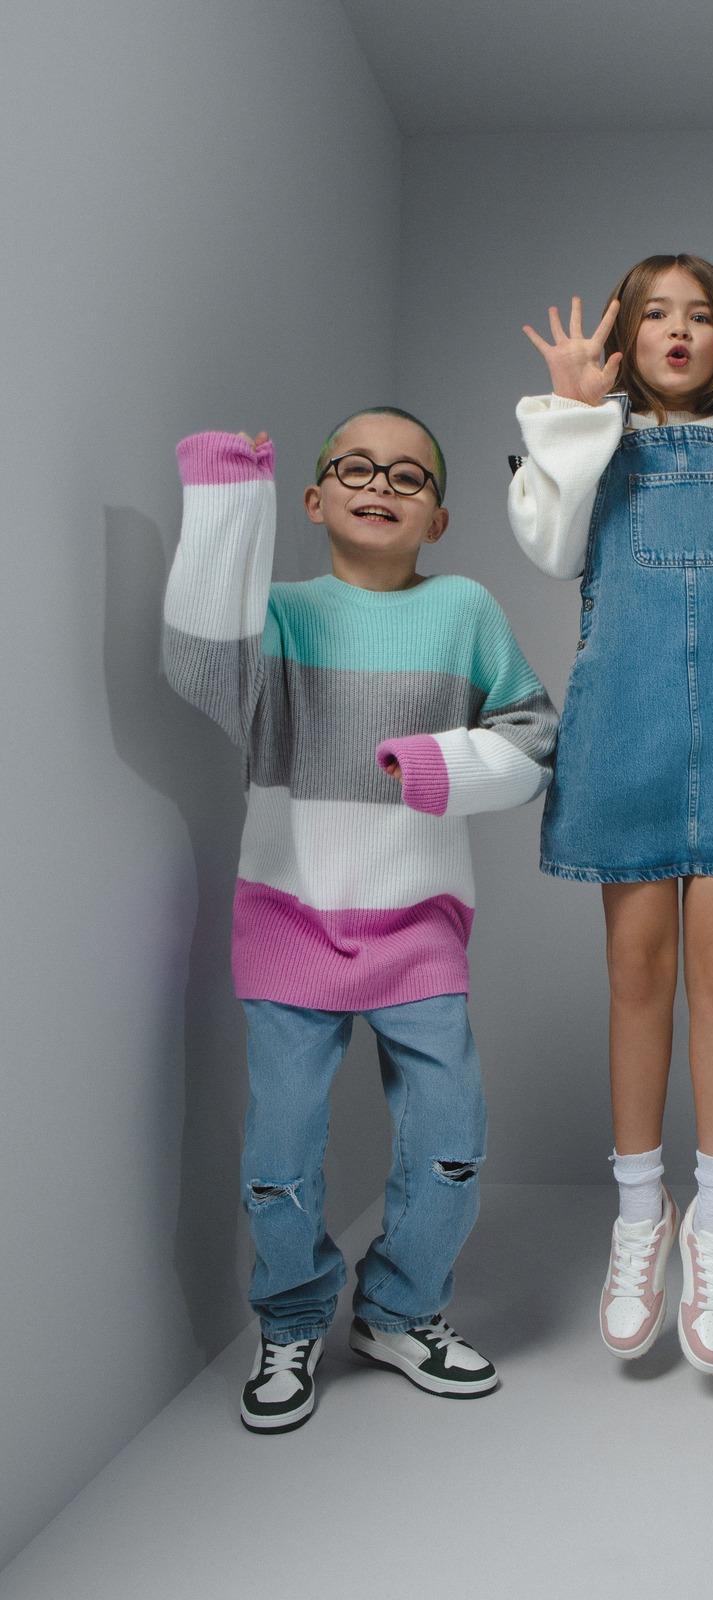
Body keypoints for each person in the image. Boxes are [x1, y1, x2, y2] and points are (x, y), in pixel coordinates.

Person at [163, 407, 556, 1431]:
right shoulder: (281, 617)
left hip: (419, 923)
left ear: (438, 516)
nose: (381, 484)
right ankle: (291, 1320)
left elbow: (533, 737)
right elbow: (199, 671)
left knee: (451, 1136)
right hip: (289, 915)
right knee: (281, 1151)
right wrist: (224, 491)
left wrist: (435, 765)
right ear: (313, 496)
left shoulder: (465, 609)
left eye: (408, 476)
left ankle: (401, 1312)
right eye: (356, 468)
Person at [510, 255, 713, 1375]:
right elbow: (551, 546)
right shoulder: (585, 443)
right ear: (622, 335)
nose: (678, 329)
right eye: (654, 312)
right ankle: (638, 1214)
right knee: (636, 975)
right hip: (624, 730)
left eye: (700, 315)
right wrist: (570, 416)